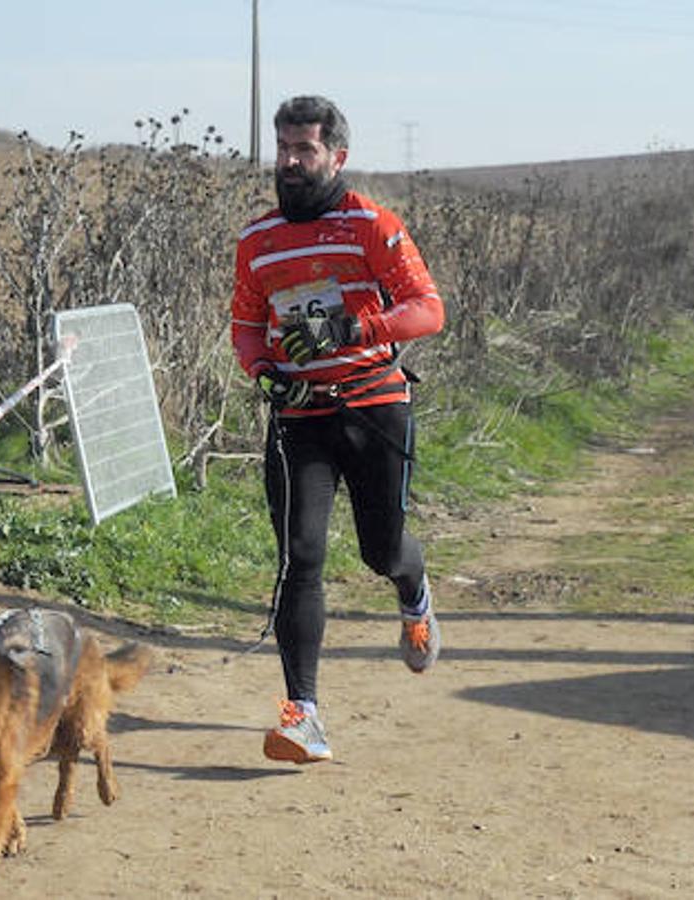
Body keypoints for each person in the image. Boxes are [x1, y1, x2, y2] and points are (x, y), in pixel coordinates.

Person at [230, 95, 446, 764]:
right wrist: (263, 370)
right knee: (300, 557)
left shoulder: (372, 227)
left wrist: (361, 326)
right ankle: (304, 715)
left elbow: (427, 309)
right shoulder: (257, 240)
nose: (291, 162)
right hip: (300, 416)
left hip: (374, 405)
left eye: (306, 150)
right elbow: (244, 324)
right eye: (284, 149)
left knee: (380, 551)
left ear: (337, 157)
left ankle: (413, 590)